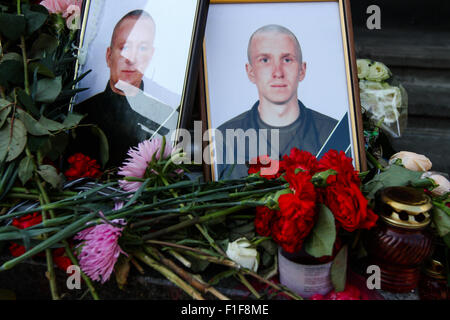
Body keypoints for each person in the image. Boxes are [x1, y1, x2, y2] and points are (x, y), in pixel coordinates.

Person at [216, 24, 340, 179]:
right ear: (251, 71)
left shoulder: (334, 133)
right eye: (265, 60)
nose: (278, 72)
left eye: (287, 60)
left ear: (302, 70)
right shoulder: (224, 136)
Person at [74, 10, 179, 167]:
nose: (131, 59)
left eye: (142, 48)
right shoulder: (79, 115)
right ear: (109, 56)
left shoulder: (168, 119)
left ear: (151, 56)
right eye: (124, 47)